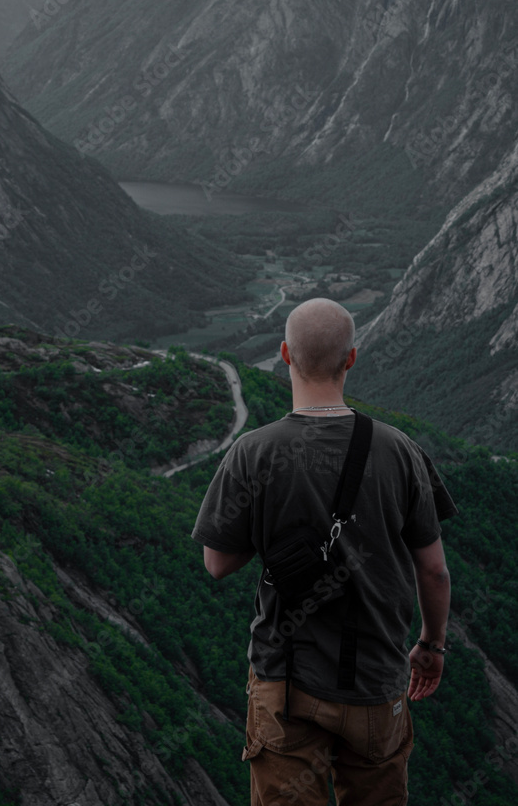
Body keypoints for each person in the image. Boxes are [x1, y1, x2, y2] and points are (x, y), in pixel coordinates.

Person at [191, 298, 457, 806]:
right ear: (351, 358)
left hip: (286, 684)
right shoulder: (399, 450)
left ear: (286, 354)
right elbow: (435, 571)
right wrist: (431, 647)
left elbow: (217, 563)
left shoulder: (254, 451)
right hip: (377, 683)